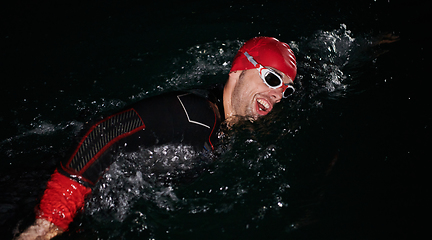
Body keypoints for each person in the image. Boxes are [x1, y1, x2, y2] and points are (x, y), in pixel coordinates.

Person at [15, 36, 297, 240]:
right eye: (271, 79)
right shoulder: (194, 114)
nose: (276, 94)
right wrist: (50, 220)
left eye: (286, 90)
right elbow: (106, 132)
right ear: (238, 70)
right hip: (41, 194)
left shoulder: (224, 120)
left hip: (88, 201)